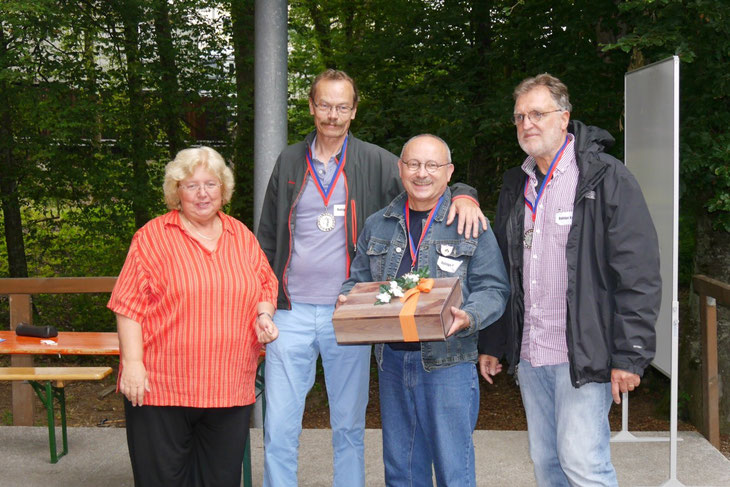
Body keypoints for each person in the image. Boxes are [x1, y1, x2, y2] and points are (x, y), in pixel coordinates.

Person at [257, 69, 487, 487]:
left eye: (341, 106)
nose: (332, 114)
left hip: (353, 315)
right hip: (288, 312)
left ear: (354, 111)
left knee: (348, 426)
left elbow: (425, 182)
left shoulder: (377, 160)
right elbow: (267, 236)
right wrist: (264, 299)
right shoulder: (290, 160)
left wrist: (467, 192)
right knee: (279, 426)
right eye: (324, 104)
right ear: (311, 107)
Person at [478, 73, 661, 486]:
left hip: (583, 354)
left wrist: (630, 354)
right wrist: (494, 342)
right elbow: (505, 271)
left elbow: (639, 273)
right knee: (547, 464)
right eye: (520, 116)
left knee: (584, 465)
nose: (527, 124)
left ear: (564, 118)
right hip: (531, 353)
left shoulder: (605, 179)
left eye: (538, 113)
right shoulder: (517, 183)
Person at [338, 134, 510, 486]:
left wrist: (469, 316)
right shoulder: (378, 224)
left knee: (453, 470)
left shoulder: (469, 222)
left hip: (449, 363)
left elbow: (495, 288)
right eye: (413, 164)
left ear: (449, 172)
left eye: (432, 165)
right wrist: (347, 300)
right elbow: (356, 282)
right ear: (400, 169)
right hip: (392, 363)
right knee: (401, 469)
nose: (422, 173)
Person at [108, 146, 279, 487]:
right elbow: (128, 305)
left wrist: (264, 315)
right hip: (161, 389)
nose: (203, 193)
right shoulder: (152, 238)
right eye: (191, 185)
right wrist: (134, 363)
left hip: (228, 389)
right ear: (177, 192)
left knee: (220, 479)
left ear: (223, 190)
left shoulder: (241, 236)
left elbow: (265, 283)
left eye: (211, 184)